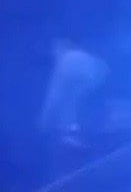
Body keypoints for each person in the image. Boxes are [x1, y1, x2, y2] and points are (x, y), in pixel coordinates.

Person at [38, 38, 109, 182]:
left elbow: (54, 100)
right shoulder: (93, 63)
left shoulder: (69, 59)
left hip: (72, 136)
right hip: (88, 134)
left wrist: (45, 125)